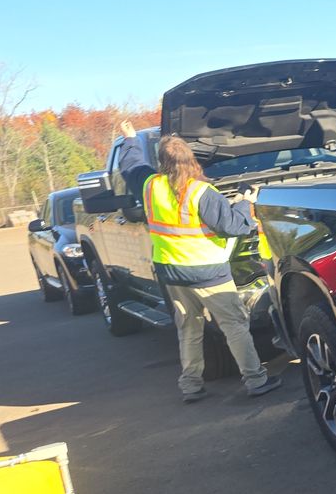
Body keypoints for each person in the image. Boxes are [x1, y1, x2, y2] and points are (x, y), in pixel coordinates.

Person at [116, 120, 281, 402]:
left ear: (161, 162)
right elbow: (234, 226)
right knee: (234, 325)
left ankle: (191, 386)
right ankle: (256, 380)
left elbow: (130, 166)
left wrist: (130, 139)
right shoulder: (202, 192)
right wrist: (244, 200)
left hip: (172, 273)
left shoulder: (150, 186)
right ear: (191, 159)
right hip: (209, 274)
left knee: (189, 327)